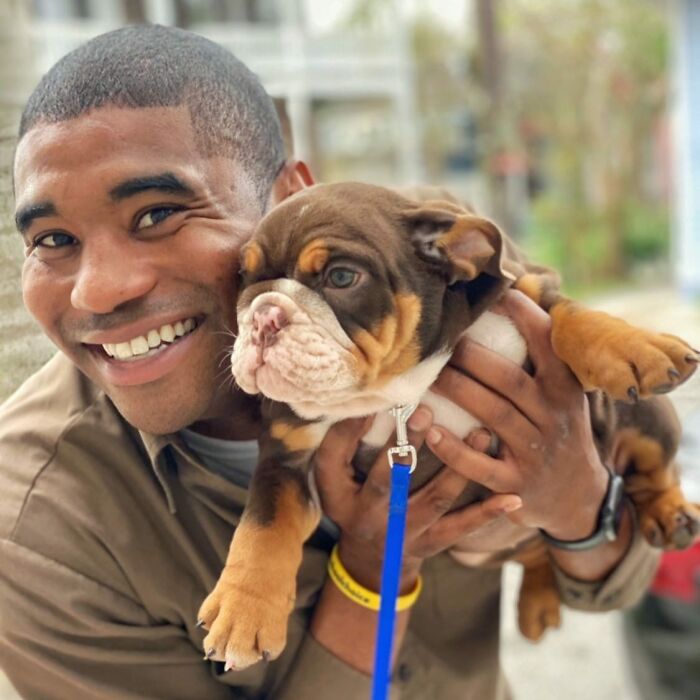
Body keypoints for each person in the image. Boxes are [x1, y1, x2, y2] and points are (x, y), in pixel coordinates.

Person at [0, 25, 659, 700]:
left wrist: (581, 501)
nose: (99, 289)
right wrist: (372, 572)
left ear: (289, 201)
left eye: (158, 213)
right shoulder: (35, 528)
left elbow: (617, 585)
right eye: (52, 239)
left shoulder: (427, 264)